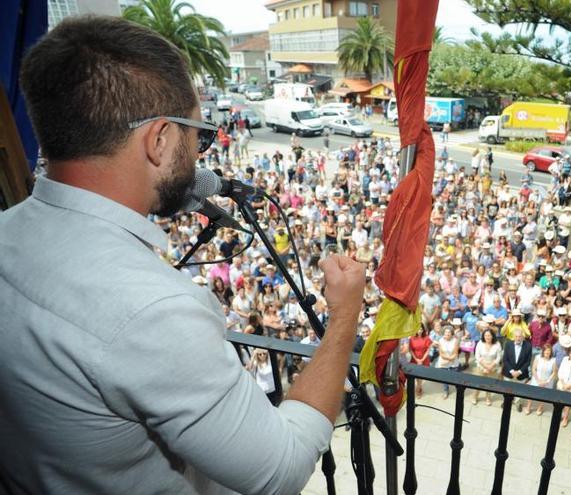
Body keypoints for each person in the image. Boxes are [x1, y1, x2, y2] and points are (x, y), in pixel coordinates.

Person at [0, 17, 366, 494]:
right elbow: (281, 470)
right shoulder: (151, 309)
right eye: (198, 135)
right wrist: (343, 320)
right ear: (159, 140)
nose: (199, 154)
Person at [502, 329, 532, 411]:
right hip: (508, 372)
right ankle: (507, 401)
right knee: (507, 388)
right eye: (516, 336)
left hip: (521, 374)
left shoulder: (528, 346)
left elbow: (528, 361)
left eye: (520, 336)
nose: (518, 338)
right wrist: (512, 371)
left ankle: (518, 403)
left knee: (519, 390)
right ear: (513, 337)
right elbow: (505, 359)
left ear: (523, 337)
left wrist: (519, 372)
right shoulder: (508, 344)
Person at [472, 328, 503, 405]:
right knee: (478, 384)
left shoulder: (497, 344)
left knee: (489, 385)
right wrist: (486, 367)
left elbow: (499, 357)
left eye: (489, 335)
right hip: (481, 366)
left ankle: (488, 398)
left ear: (492, 336)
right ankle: (474, 396)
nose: (487, 337)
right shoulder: (480, 343)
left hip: (493, 367)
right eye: (485, 335)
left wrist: (490, 367)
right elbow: (477, 356)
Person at [525, 344, 558, 415]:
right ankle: (528, 406)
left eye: (549, 351)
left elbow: (554, 372)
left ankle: (540, 407)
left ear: (551, 352)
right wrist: (538, 380)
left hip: (547, 381)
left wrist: (547, 381)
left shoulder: (553, 360)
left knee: (543, 395)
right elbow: (533, 369)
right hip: (537, 379)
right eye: (546, 350)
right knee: (531, 394)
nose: (547, 352)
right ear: (543, 351)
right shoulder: (538, 357)